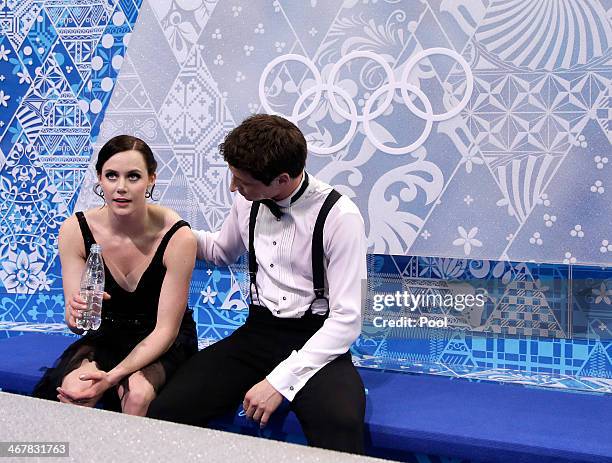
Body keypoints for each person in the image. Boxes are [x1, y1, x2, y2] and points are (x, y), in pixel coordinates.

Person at [147, 114, 367, 453]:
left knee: (341, 428)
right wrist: (164, 232)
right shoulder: (246, 200)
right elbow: (220, 250)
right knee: (168, 408)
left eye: (243, 182)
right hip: (256, 335)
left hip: (317, 341)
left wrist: (280, 382)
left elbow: (347, 321)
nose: (235, 188)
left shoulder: (341, 217)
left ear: (281, 179)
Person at [33, 135, 198, 416]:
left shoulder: (178, 237)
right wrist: (74, 314)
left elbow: (166, 332)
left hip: (161, 341)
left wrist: (113, 376)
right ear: (99, 179)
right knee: (75, 389)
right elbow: (77, 324)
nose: (121, 187)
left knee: (137, 394)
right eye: (111, 176)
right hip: (106, 335)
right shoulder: (75, 231)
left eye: (133, 176)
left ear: (151, 180)